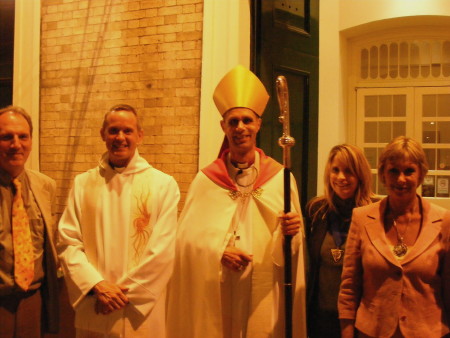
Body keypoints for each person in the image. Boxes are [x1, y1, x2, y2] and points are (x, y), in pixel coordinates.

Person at [166, 65, 307, 337]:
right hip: (218, 292)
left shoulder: (281, 178)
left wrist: (290, 233)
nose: (240, 127)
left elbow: (291, 249)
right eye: (233, 122)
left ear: (258, 124)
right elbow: (184, 242)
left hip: (264, 293)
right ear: (223, 127)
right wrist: (218, 251)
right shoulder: (206, 180)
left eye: (246, 120)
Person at [57, 104, 180, 337]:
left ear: (140, 136)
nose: (120, 138)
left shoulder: (163, 185)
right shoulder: (83, 184)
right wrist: (96, 286)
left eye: (128, 131)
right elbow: (68, 242)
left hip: (138, 312)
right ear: (103, 134)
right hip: (95, 302)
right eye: (113, 131)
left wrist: (121, 296)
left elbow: (163, 251)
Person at [338, 136, 450, 338]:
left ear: (421, 174)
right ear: (382, 175)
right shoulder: (362, 218)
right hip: (372, 332)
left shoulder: (444, 221)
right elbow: (349, 287)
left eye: (409, 171)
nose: (401, 179)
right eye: (393, 171)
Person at [0, 106, 59, 336]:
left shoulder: (45, 187)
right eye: (6, 137)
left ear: (31, 140)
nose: (16, 144)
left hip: (33, 302)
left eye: (23, 136)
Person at [305, 144, 374, 337]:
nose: (341, 178)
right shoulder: (316, 210)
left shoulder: (375, 212)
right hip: (320, 317)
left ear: (360, 175)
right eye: (336, 170)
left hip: (361, 320)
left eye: (349, 171)